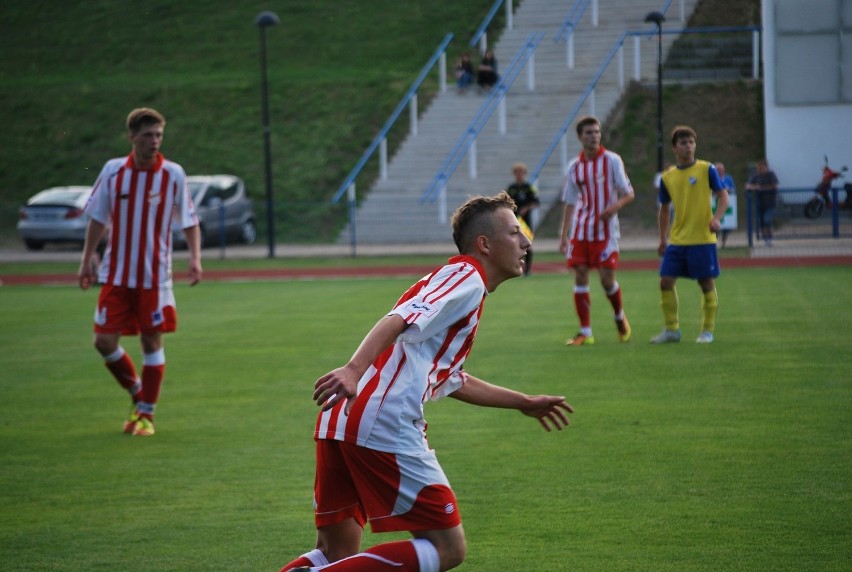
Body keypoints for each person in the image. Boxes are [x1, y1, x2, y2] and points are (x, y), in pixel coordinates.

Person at [279, 192, 573, 572]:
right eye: (515, 233)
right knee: (447, 547)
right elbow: (399, 317)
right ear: (484, 244)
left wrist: (521, 401)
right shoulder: (467, 275)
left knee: (336, 553)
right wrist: (353, 368)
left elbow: (452, 379)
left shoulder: (461, 285)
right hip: (383, 420)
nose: (526, 242)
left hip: (343, 418)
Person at [77, 107, 202, 437]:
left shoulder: (173, 173)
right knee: (103, 341)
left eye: (159, 135)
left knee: (151, 340)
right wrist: (86, 259)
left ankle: (146, 414)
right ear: (132, 137)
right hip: (116, 274)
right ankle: (138, 394)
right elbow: (98, 218)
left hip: (154, 278)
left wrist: (195, 259)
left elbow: (189, 219)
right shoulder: (114, 171)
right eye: (147, 135)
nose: (154, 141)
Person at [559, 115, 635, 346]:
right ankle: (585, 332)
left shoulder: (612, 161)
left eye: (597, 132)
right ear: (580, 137)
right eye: (589, 132)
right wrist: (564, 235)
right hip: (582, 231)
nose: (594, 136)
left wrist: (614, 207)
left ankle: (619, 317)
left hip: (606, 232)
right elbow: (570, 202)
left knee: (606, 280)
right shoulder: (574, 167)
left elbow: (629, 192)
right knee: (580, 276)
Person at [651, 125, 729, 345]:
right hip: (677, 240)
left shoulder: (707, 169)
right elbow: (664, 209)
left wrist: (716, 218)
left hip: (702, 239)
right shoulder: (668, 177)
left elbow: (723, 197)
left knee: (705, 284)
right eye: (683, 142)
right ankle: (672, 330)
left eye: (691, 142)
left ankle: (707, 331)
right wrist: (662, 238)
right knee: (665, 282)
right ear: (675, 148)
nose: (688, 146)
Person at [505, 161, 539, 275]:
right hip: (513, 220)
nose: (519, 174)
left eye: (521, 172)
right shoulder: (511, 188)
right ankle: (513, 268)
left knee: (527, 244)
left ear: (524, 173)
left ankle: (527, 270)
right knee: (512, 244)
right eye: (517, 172)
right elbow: (505, 202)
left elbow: (536, 202)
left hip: (525, 221)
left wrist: (527, 208)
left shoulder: (529, 187)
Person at [745, 159, 778, 246]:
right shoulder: (756, 177)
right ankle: (765, 239)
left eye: (762, 168)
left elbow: (774, 186)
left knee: (767, 220)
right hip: (760, 203)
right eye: (759, 168)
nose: (760, 170)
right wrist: (754, 187)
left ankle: (770, 238)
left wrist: (762, 188)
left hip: (770, 202)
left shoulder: (771, 175)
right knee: (762, 222)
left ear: (766, 168)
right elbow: (748, 185)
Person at [714, 162, 736, 248]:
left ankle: (724, 242)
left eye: (721, 169)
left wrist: (728, 189)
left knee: (726, 227)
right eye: (718, 169)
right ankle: (714, 243)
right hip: (715, 203)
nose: (720, 171)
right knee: (715, 224)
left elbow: (733, 188)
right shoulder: (713, 178)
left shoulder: (728, 178)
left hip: (727, 203)